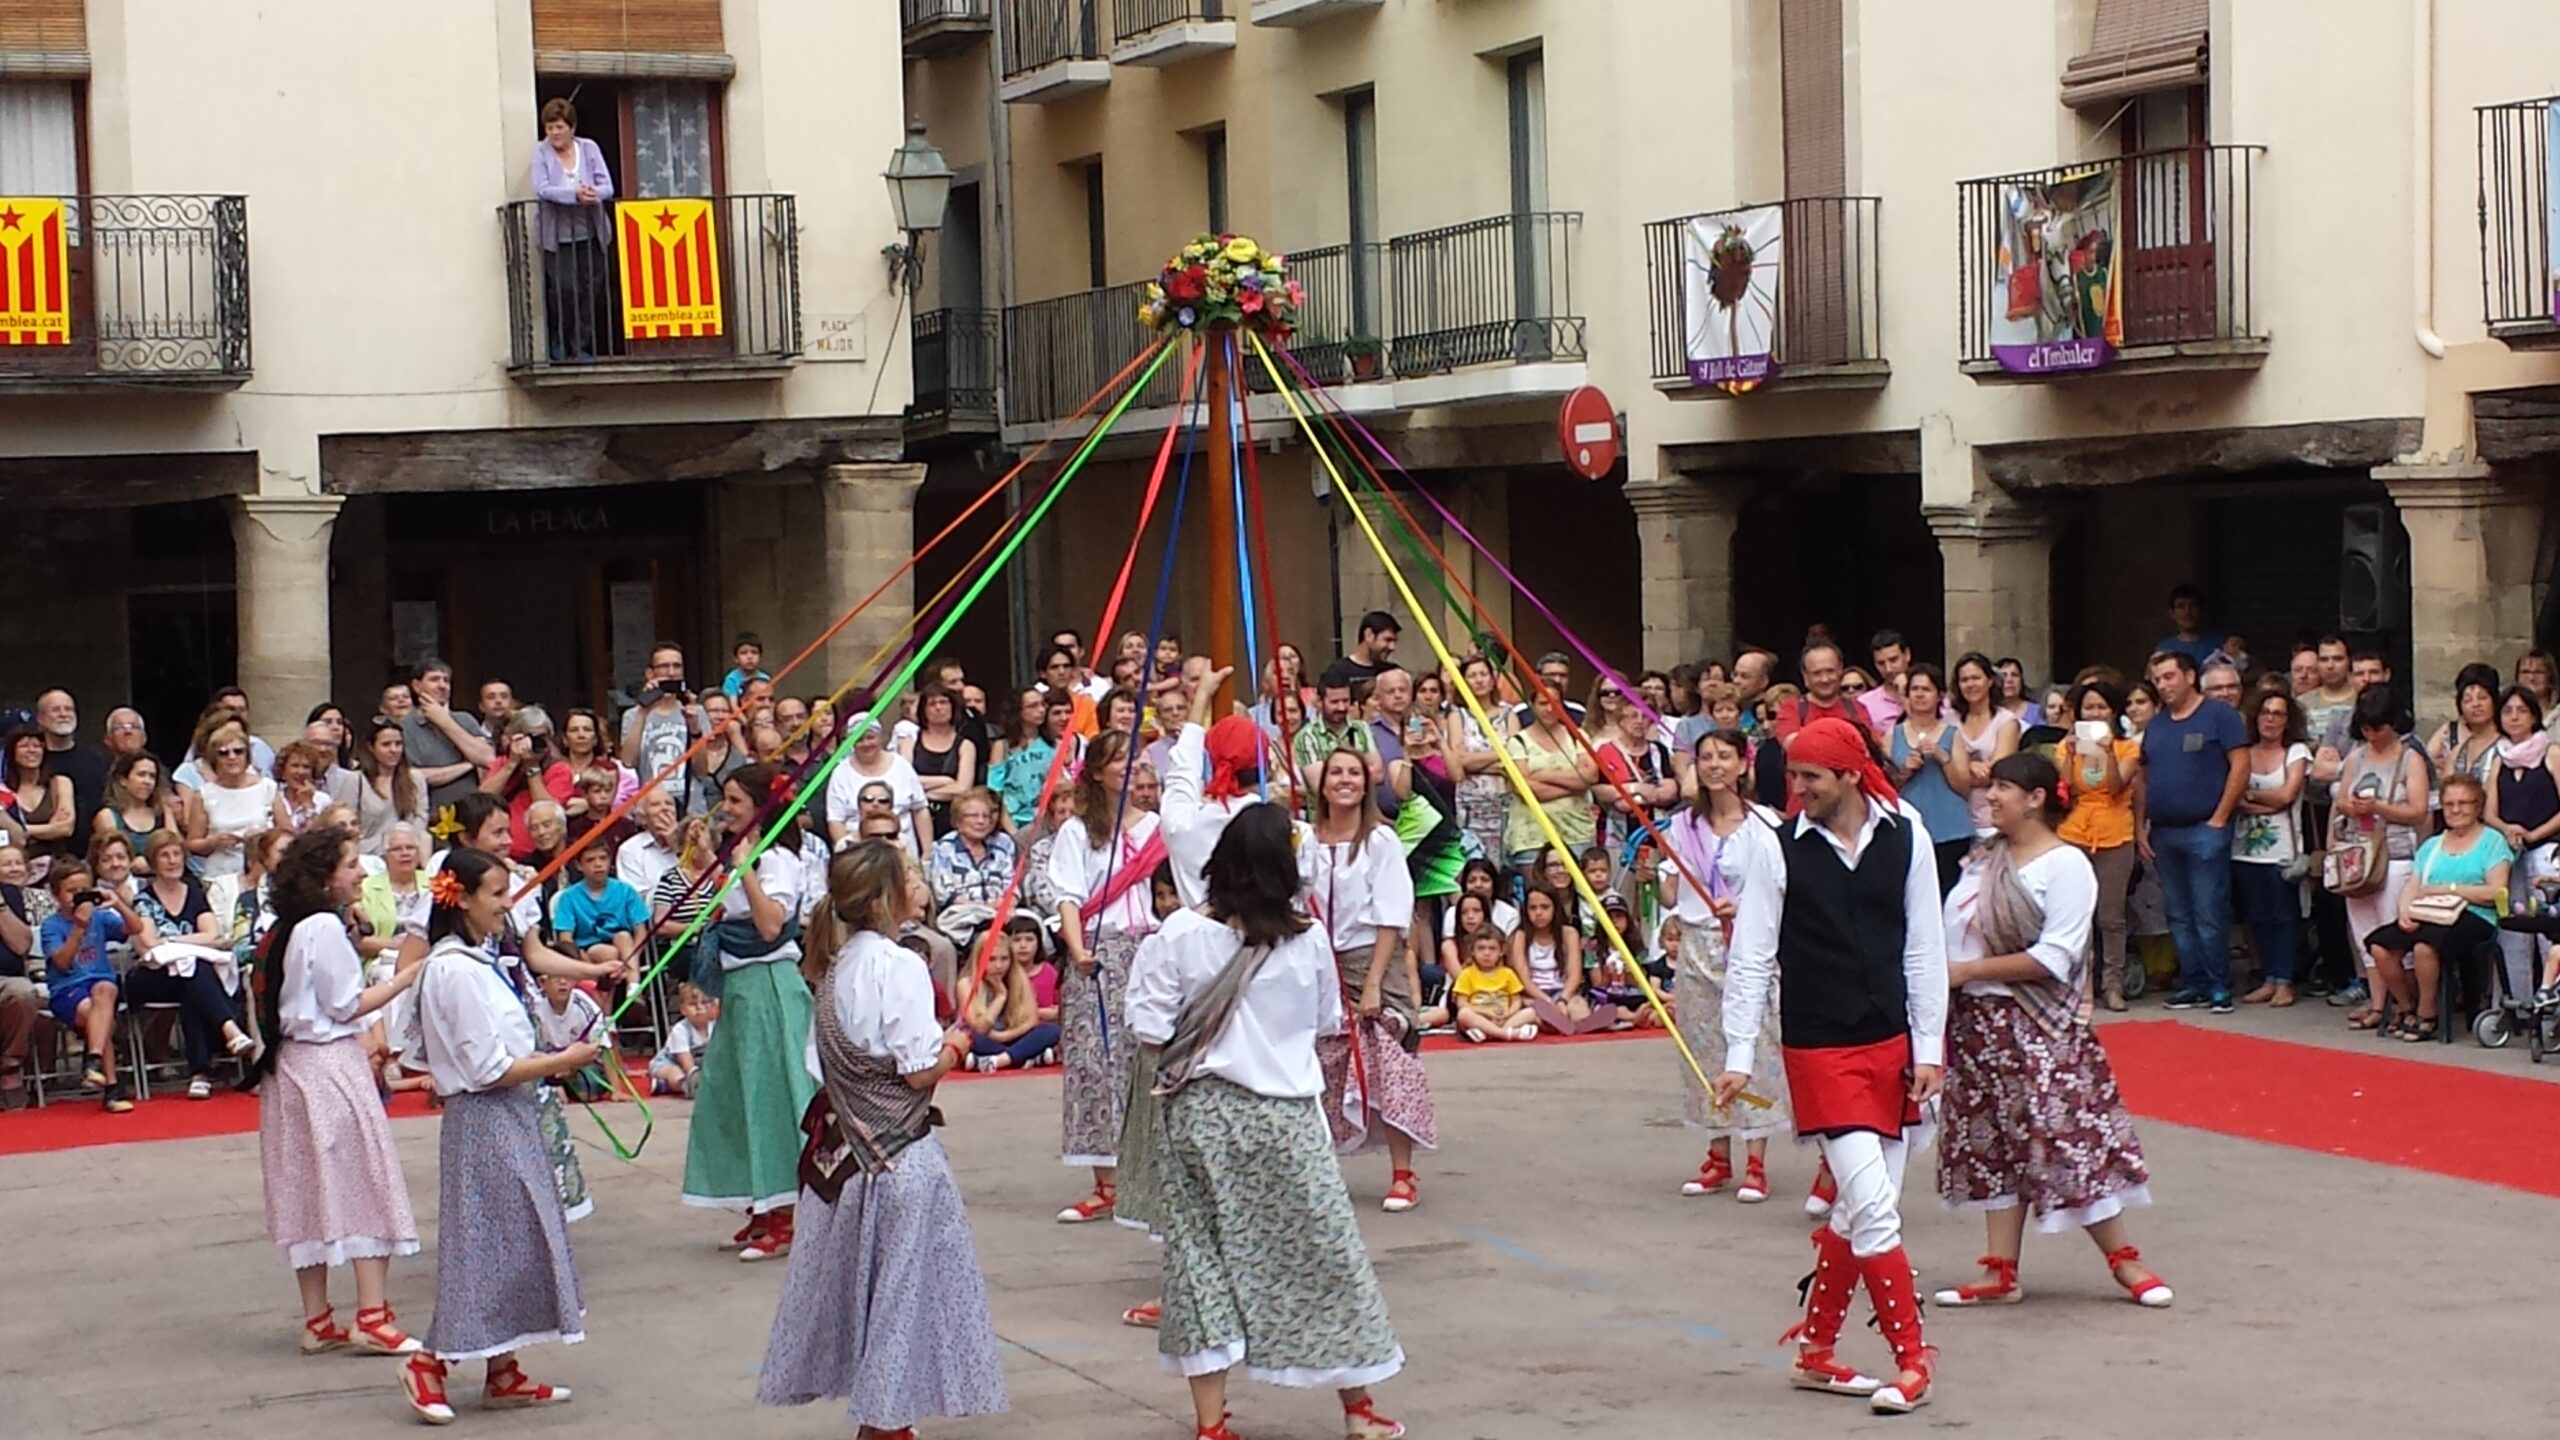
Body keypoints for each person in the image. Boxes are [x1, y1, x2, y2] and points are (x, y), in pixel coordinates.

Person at [1124, 803, 1406, 1440]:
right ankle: (1357, 1409)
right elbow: (1327, 1024)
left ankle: (1211, 1424)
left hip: (1201, 1117)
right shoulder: (1307, 942)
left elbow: (1147, 1026)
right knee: (1324, 1253)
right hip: (1286, 1120)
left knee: (1199, 1260)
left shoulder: (1177, 936)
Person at [1715, 716, 1947, 1414]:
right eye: (1794, 777)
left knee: (1858, 1207)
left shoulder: (1907, 831)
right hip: (1819, 1045)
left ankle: (1816, 1352)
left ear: (1849, 773)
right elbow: (1752, 954)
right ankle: (1914, 1361)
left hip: (1892, 1043)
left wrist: (1929, 1046)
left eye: (1811, 776)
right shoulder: (1776, 848)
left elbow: (1925, 947)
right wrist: (1737, 1054)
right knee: (1874, 1206)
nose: (1799, 789)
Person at [755, 840, 1009, 1431]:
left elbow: (827, 1065)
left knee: (877, 1298)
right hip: (900, 1158)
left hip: (847, 1158)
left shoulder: (833, 965)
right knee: (902, 1300)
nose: (920, 884)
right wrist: (959, 1041)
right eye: (911, 876)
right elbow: (919, 1068)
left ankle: (882, 1422)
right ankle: (888, 1425)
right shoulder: (897, 966)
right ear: (890, 897)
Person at [1931, 754, 2171, 1312]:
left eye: (2004, 789)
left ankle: (2125, 1260)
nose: (1991, 797)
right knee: (1993, 1143)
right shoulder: (1984, 856)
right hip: (1976, 1026)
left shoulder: (2064, 866)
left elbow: (2055, 956)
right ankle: (2000, 1269)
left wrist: (1967, 972)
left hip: (2036, 1024)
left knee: (2064, 1141)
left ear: (2037, 798)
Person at [400, 847, 596, 1424]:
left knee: (518, 1237)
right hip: (485, 1117)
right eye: (495, 894)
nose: (505, 905)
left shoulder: (477, 961)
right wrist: (563, 1058)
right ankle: (430, 1360)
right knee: (483, 1243)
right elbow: (488, 1068)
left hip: (507, 1112)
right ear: (460, 899)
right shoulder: (455, 970)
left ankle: (501, 1366)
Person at [245, 824, 426, 1356]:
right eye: (351, 865)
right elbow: (346, 1003)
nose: (361, 873)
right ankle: (372, 1313)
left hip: (290, 1070)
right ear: (325, 877)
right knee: (364, 1180)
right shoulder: (323, 927)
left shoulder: (283, 928)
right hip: (327, 1066)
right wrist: (405, 977)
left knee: (307, 1187)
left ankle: (318, 1318)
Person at [1660, 728, 1807, 1206]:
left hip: (1750, 948)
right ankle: (1716, 1153)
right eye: (1706, 757)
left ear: (1744, 764)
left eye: (1725, 756)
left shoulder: (1767, 825)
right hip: (1698, 947)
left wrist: (1741, 907)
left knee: (1756, 1047)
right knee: (1703, 1050)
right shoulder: (1683, 826)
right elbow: (1669, 893)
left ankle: (1757, 1156)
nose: (1715, 765)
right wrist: (1654, 877)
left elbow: (1783, 890)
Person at [681, 764, 818, 1261]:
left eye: (736, 800)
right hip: (739, 988)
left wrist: (743, 868)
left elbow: (769, 925)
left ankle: (785, 1212)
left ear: (760, 807)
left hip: (768, 986)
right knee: (735, 1094)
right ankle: (762, 1204)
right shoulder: (738, 856)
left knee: (771, 1096)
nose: (727, 808)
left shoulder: (777, 859)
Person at [1306, 748, 1436, 1213]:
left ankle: (1403, 1172)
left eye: (1353, 774)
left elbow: (1391, 916)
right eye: (1335, 772)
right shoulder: (1306, 840)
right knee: (1320, 1065)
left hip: (1368, 958)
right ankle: (1320, 1170)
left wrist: (1376, 981)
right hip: (1319, 961)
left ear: (1366, 785)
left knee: (1390, 1063)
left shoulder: (1380, 841)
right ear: (1322, 784)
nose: (1344, 781)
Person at [1047, 730, 1163, 1224]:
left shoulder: (1159, 826)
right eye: (1117, 759)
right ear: (1095, 771)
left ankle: (1153, 1167)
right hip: (1101, 948)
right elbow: (1068, 897)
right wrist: (1077, 950)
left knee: (1149, 1057)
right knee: (1096, 1061)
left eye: (1133, 757)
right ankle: (1106, 1179)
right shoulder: (1078, 831)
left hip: (1152, 947)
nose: (1128, 766)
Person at [2137, 650, 2249, 1014]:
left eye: (2169, 677)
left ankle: (2219, 984)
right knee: (2178, 914)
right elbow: (2144, 777)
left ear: (2189, 676)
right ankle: (2194, 982)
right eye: (2158, 679)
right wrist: (2140, 825)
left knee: (2208, 911)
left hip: (2205, 827)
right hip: (2165, 831)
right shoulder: (2156, 725)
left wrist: (2220, 817)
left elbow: (2240, 765)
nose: (2163, 685)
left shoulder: (2220, 716)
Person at [2362, 772, 2509, 1042]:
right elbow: (2413, 885)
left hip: (2475, 915)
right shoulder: (2432, 845)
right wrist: (2405, 911)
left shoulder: (2492, 841)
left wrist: (2449, 889)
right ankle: (2406, 1005)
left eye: (2464, 803)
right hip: (2429, 913)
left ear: (2478, 806)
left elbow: (2495, 892)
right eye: (2450, 804)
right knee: (2380, 946)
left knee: (2424, 946)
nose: (2456, 810)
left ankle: (2428, 1012)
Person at [126, 829, 257, 1098]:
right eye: (165, 855)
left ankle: (200, 1075)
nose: (172, 861)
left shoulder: (195, 893)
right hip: (151, 977)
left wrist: (172, 941)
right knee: (197, 973)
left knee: (193, 984)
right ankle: (228, 1031)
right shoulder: (144, 899)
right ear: (153, 862)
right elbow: (149, 942)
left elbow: (213, 934)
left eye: (177, 854)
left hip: (189, 977)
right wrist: (189, 943)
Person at [2333, 687, 2431, 1032]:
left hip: (2396, 854)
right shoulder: (2357, 756)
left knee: (2392, 935)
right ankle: (2378, 1004)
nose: (2372, 735)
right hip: (2358, 853)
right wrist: (2350, 806)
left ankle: (2406, 1004)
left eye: (2379, 728)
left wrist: (2378, 807)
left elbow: (2418, 811)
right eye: (2367, 729)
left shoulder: (2410, 758)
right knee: (2363, 934)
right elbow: (2340, 799)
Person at [2057, 681, 2142, 1010]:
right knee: (2079, 915)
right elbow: (2063, 790)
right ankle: (2081, 984)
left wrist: (2106, 752)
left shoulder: (2128, 748)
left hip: (2115, 833)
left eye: (2101, 707)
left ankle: (2114, 984)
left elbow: (2117, 786)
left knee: (2111, 915)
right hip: (2075, 831)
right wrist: (2070, 752)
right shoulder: (2068, 746)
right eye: (2089, 708)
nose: (2095, 713)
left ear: (2114, 711)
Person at [40, 860, 142, 1111]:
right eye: (72, 892)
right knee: (99, 1015)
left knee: (105, 991)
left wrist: (117, 902)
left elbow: (135, 928)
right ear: (56, 894)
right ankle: (111, 1085)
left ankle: (94, 1061)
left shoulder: (100, 917)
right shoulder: (51, 926)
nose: (79, 897)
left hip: (100, 985)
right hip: (68, 990)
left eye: (84, 890)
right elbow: (62, 963)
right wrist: (78, 928)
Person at [2232, 689, 2311, 1006]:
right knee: (2257, 916)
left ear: (2288, 720)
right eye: (2265, 712)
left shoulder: (2296, 752)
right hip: (2243, 848)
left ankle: (2285, 980)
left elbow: (2286, 796)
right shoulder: (2244, 752)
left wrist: (2252, 797)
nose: (2270, 719)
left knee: (2284, 916)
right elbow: (2234, 797)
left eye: (2278, 713)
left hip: (2282, 849)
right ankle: (2267, 977)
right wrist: (2265, 801)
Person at [2486, 686, 2560, 1001]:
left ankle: (2552, 1005)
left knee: (2550, 931)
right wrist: (2507, 829)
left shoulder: (2551, 752)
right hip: (2511, 849)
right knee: (2512, 929)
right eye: (2507, 711)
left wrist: (2534, 833)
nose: (2514, 717)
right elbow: (2489, 811)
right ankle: (2517, 1004)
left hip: (2548, 849)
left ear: (2533, 715)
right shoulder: (2499, 757)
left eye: (2521, 710)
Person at [531, 95, 616, 363]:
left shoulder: (589, 149)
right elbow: (542, 188)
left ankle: (580, 346)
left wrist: (594, 193)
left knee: (590, 290)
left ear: (572, 128)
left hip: (590, 234)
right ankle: (558, 340)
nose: (554, 133)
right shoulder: (540, 153)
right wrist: (573, 194)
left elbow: (607, 186)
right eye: (549, 128)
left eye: (559, 127)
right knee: (565, 289)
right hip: (557, 238)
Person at [1886, 665, 1975, 894]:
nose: (1919, 694)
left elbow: (1964, 787)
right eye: (1914, 689)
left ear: (1940, 696)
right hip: (1908, 828)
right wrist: (1905, 770)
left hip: (1950, 830)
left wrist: (1942, 757)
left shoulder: (1952, 734)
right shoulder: (1892, 735)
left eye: (1926, 689)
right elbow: (1884, 787)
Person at [184, 709, 278, 884]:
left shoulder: (268, 788)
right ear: (214, 758)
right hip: (220, 877)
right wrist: (213, 842)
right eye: (223, 753)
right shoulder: (204, 794)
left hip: (263, 876)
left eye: (238, 751)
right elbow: (192, 843)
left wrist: (263, 837)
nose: (232, 757)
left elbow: (287, 834)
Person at [957, 920, 1060, 1072]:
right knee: (970, 1037)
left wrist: (1006, 1036)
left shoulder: (1019, 978)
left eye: (1004, 959)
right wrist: (1000, 996)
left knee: (1052, 1031)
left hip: (1014, 1036)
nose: (999, 966)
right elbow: (979, 1028)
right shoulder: (966, 984)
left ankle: (1000, 1060)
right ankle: (1026, 1058)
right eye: (991, 959)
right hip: (985, 1039)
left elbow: (1032, 1020)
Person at [824, 716, 933, 857]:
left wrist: (927, 853)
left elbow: (920, 809)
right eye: (859, 739)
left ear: (880, 737)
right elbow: (835, 819)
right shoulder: (840, 772)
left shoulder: (902, 766)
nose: (866, 743)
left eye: (870, 737)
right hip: (860, 853)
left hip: (902, 850)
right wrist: (851, 854)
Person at [550, 835, 648, 977]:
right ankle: (631, 987)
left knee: (623, 936)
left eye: (603, 858)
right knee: (609, 952)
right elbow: (566, 938)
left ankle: (632, 982)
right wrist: (581, 961)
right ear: (579, 865)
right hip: (589, 951)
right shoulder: (568, 897)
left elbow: (641, 930)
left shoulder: (626, 891)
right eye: (590, 860)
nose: (598, 864)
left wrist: (634, 957)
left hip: (626, 950)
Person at [1949, 655, 2020, 842]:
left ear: (1989, 681)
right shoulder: (1949, 721)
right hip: (1955, 818)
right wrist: (1971, 766)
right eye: (1964, 679)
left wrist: (1959, 771)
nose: (1970, 684)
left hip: (1992, 819)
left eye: (1976, 678)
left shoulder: (2006, 722)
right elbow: (1943, 773)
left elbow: (1998, 772)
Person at [901, 681, 979, 838]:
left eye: (943, 702)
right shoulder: (909, 742)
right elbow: (904, 781)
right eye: (932, 704)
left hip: (951, 821)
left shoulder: (966, 745)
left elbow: (963, 788)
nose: (938, 708)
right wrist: (946, 780)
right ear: (923, 710)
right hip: (915, 821)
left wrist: (921, 794)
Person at [4, 724, 76, 870]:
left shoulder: (59, 783)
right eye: (24, 746)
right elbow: (5, 836)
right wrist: (49, 828)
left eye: (37, 746)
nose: (32, 751)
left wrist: (22, 830)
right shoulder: (3, 790)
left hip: (56, 867)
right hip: (16, 867)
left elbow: (65, 828)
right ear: (12, 752)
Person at [36, 688, 111, 828]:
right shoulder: (32, 760)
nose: (63, 714)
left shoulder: (97, 759)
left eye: (69, 709)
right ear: (40, 718)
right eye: (56, 710)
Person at [93, 749, 179, 854]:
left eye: (152, 776)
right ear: (123, 780)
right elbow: (112, 855)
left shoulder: (160, 815)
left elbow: (176, 848)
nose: (147, 782)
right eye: (141, 774)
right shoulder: (108, 816)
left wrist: (167, 808)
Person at [649, 982, 718, 1096]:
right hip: (669, 1062)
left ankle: (665, 1086)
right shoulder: (680, 1030)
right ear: (683, 1010)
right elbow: (685, 1059)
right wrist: (693, 1076)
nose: (699, 1008)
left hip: (698, 1064)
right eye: (692, 1004)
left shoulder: (714, 1026)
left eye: (704, 1003)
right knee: (675, 1073)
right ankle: (684, 1086)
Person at [1321, 610, 1402, 691]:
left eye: (1394, 641)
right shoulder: (1338, 672)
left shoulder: (1393, 672)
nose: (1392, 647)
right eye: (1388, 640)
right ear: (1369, 635)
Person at [2153, 584, 2225, 668]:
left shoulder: (2220, 644)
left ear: (2201, 610)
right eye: (2181, 606)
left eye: (2193, 605)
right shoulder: (2164, 649)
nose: (2187, 612)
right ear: (2172, 613)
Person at [720, 633, 769, 701]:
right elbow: (733, 705)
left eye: (754, 652)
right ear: (736, 658)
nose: (749, 657)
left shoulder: (765, 679)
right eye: (744, 653)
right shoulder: (732, 679)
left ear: (760, 657)